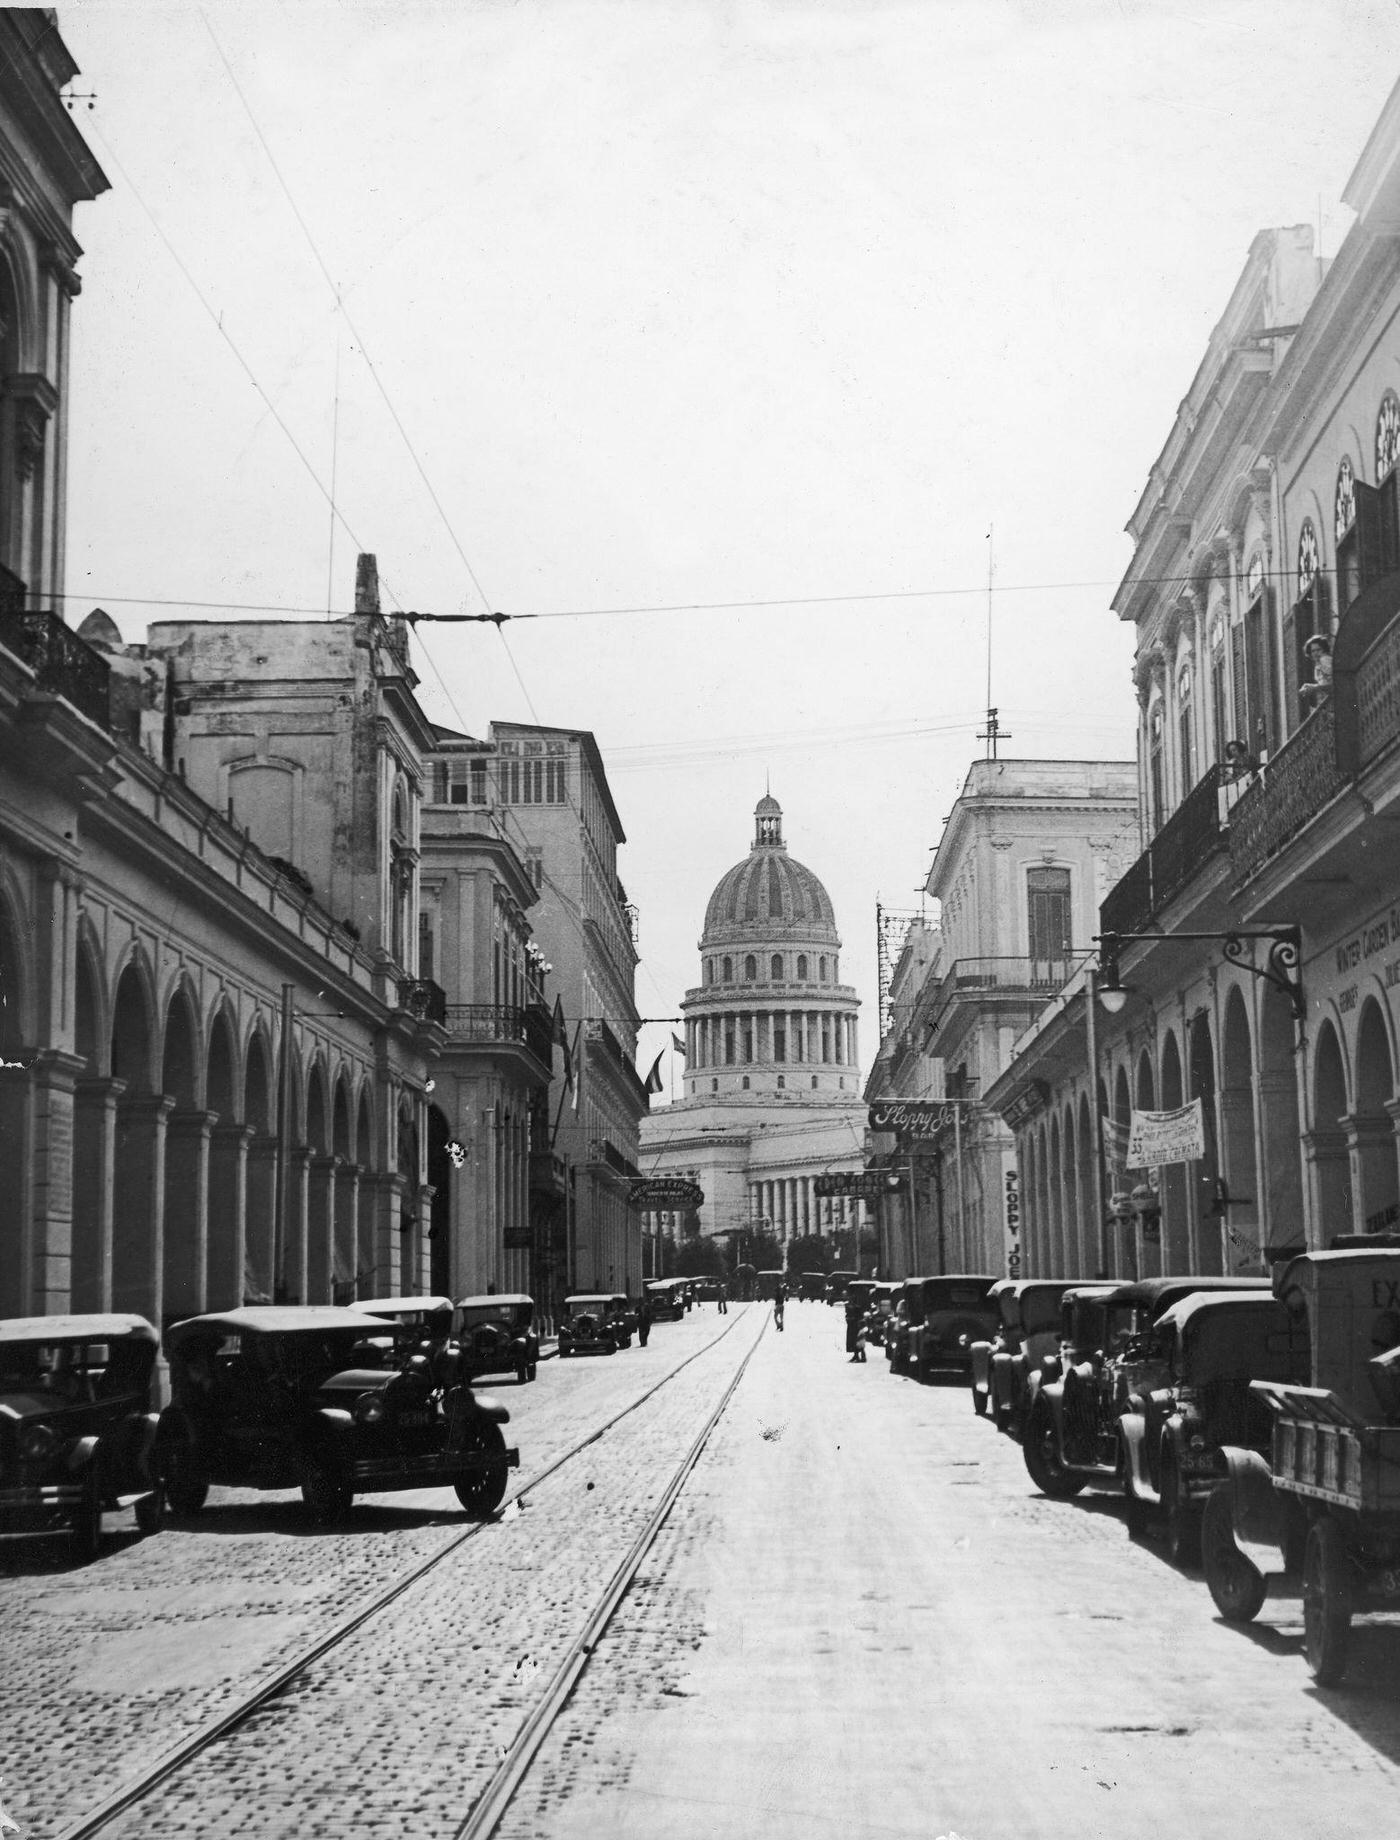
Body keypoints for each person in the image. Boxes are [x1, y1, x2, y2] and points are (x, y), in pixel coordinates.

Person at [1300, 634, 1333, 709]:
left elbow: (1334, 682)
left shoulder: (1325, 659)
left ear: (1324, 650)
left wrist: (1314, 688)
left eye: (1318, 650)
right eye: (1313, 651)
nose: (1315, 653)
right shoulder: (1318, 665)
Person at [844, 1290, 867, 1363]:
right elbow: (847, 1315)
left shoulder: (858, 1307)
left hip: (856, 1326)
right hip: (851, 1326)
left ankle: (862, 1356)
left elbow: (860, 1317)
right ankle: (856, 1355)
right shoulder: (849, 1307)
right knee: (854, 1342)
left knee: (858, 1341)